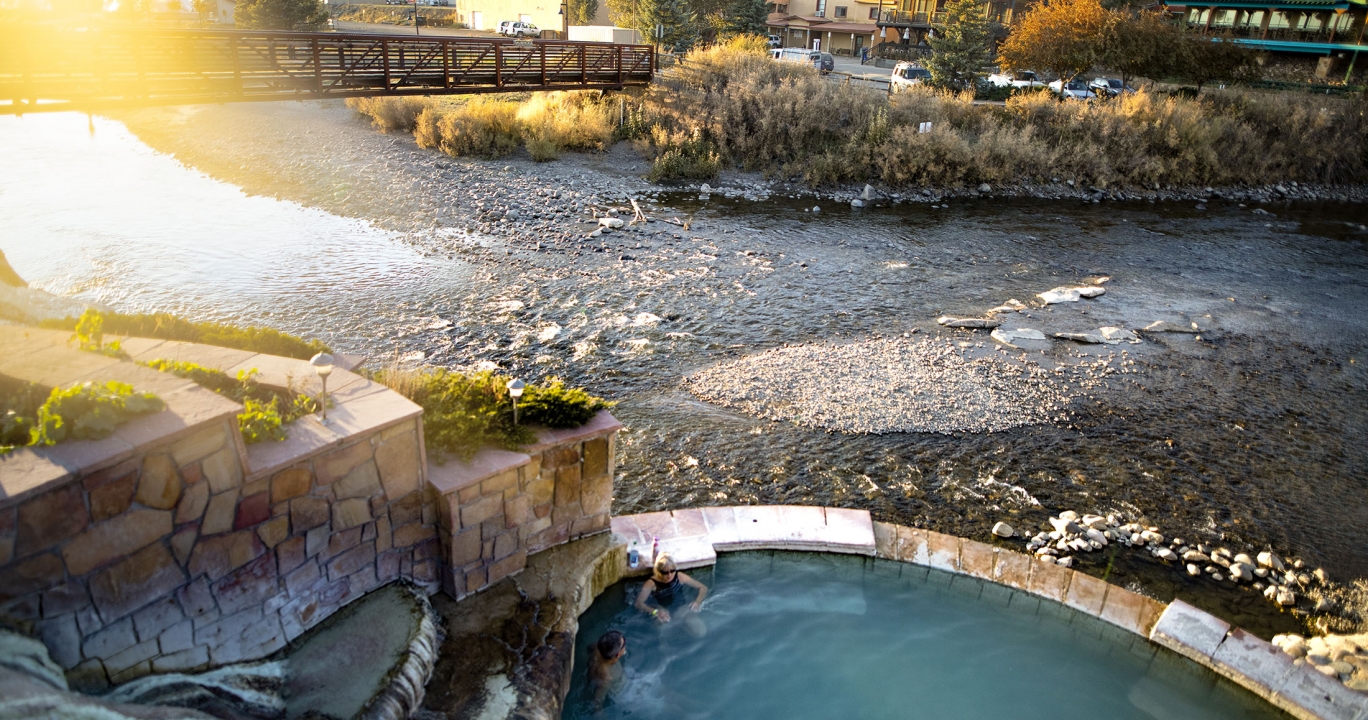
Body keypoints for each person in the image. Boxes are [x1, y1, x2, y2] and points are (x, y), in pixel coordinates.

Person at [634, 553, 708, 636]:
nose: (669, 575)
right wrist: (655, 612)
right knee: (662, 633)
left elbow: (703, 587)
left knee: (701, 632)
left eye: (672, 571)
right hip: (662, 610)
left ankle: (684, 630)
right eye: (665, 572)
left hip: (681, 608)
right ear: (658, 571)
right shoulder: (651, 583)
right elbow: (638, 603)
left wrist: (697, 601)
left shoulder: (679, 576)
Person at [587, 630, 626, 711]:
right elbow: (597, 701)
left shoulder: (599, 648)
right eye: (624, 645)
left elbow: (588, 648)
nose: (625, 646)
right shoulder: (607, 677)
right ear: (618, 654)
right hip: (616, 690)